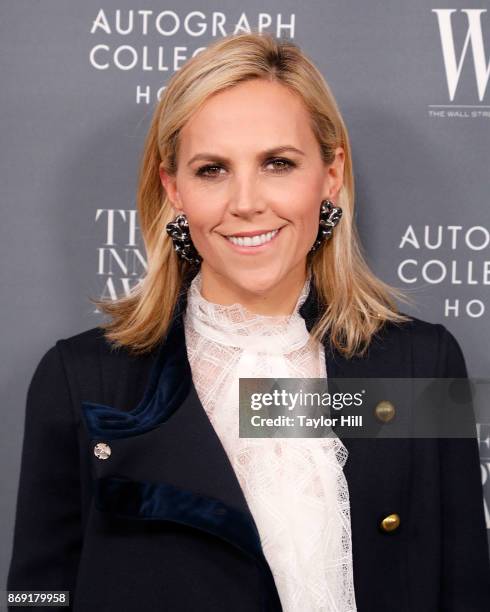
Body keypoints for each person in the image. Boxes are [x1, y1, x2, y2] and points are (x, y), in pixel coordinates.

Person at [7, 32, 490, 612]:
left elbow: (463, 585)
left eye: (277, 164)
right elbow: (38, 594)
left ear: (330, 175)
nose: (246, 202)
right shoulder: (82, 379)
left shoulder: (423, 364)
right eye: (212, 170)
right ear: (174, 189)